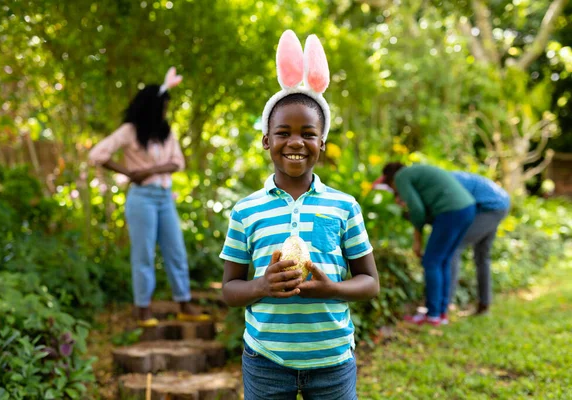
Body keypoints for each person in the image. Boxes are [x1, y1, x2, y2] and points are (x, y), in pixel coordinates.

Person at [219, 30, 380, 400]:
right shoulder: (246, 210)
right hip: (265, 360)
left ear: (321, 144)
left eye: (308, 134)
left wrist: (332, 289)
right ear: (266, 141)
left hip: (333, 360)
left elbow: (369, 282)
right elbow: (229, 290)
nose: (295, 142)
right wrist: (262, 286)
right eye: (283, 132)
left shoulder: (343, 206)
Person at [89, 67, 208, 327]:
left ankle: (184, 303)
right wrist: (129, 173)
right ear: (151, 107)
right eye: (163, 106)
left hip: (164, 198)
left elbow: (178, 162)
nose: (166, 111)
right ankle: (142, 309)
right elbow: (97, 154)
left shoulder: (166, 132)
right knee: (143, 254)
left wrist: (148, 171)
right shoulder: (130, 131)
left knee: (175, 250)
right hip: (141, 198)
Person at [376, 163, 476, 326]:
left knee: (431, 261)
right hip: (467, 208)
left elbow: (417, 209)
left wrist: (417, 240)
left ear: (391, 179)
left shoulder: (401, 177)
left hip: (450, 211)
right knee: (443, 261)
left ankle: (433, 314)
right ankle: (441, 313)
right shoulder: (416, 172)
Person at [449, 171, 510, 315]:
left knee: (454, 247)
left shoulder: (442, 182)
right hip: (499, 203)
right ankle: (484, 304)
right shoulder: (450, 177)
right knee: (482, 256)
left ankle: (446, 304)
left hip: (491, 207)